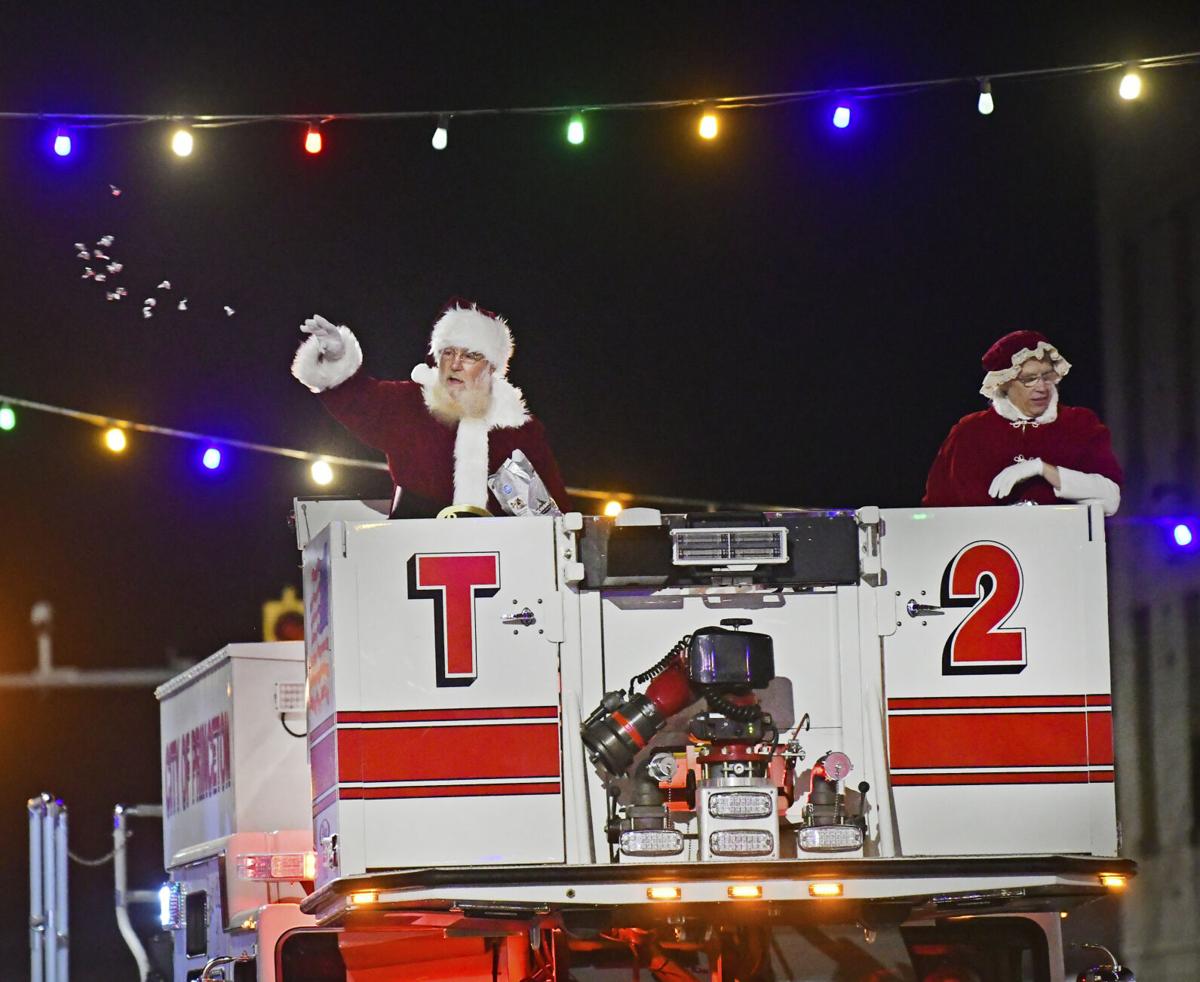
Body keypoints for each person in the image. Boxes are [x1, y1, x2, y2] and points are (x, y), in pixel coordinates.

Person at [291, 301, 569, 516]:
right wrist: (337, 357)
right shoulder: (410, 405)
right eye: (448, 352)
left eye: (470, 355)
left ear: (491, 367)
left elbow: (553, 515)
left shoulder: (518, 431)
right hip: (410, 557)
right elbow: (356, 398)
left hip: (498, 564)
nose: (455, 364)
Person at [922, 329, 1122, 515]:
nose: (1042, 387)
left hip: (1062, 540)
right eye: (1029, 379)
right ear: (1004, 382)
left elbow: (1111, 500)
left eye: (1047, 376)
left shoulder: (1079, 423)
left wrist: (1042, 469)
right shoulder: (970, 432)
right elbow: (937, 511)